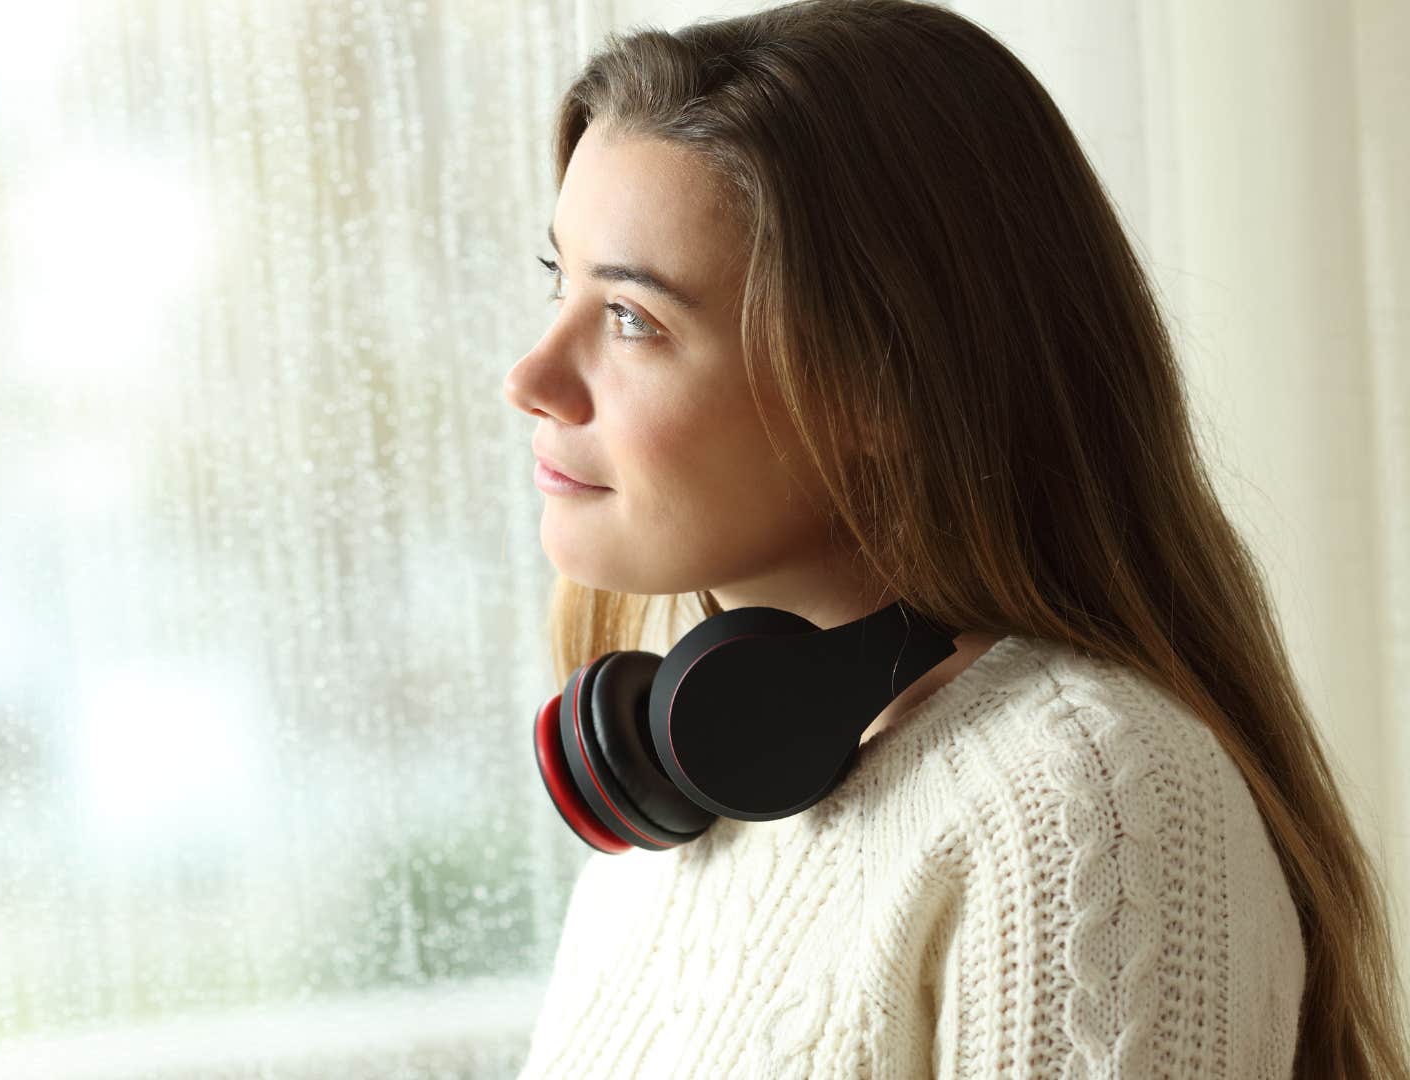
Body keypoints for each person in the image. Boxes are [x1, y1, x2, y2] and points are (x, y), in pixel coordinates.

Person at [499, 1, 1409, 1076]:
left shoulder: (1090, 809)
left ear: (884, 386)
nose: (530, 379)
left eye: (634, 319)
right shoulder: (672, 793)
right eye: (562, 282)